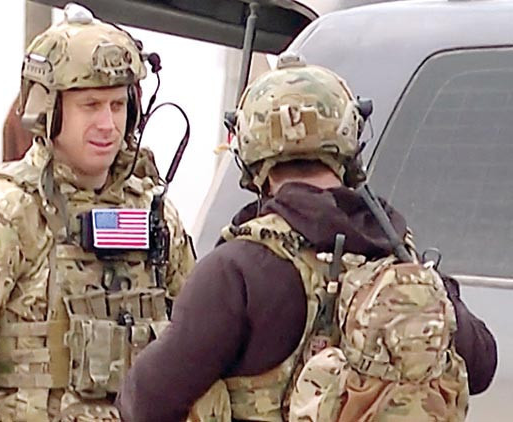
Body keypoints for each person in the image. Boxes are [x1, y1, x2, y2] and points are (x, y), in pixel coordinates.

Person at [117, 54, 497, 421]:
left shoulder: (237, 269)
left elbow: (145, 402)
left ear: (249, 151)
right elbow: (482, 364)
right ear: (349, 140)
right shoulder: (397, 255)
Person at [0, 4, 195, 421]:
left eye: (117, 105)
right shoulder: (2, 216)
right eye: (90, 105)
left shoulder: (154, 213)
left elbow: (194, 339)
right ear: (47, 109)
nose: (108, 124)